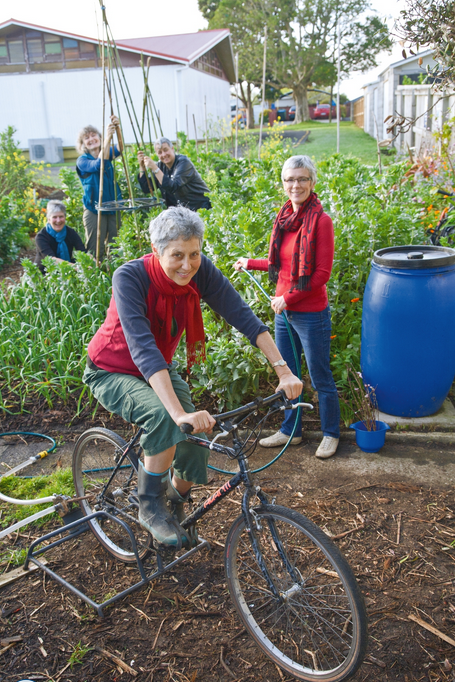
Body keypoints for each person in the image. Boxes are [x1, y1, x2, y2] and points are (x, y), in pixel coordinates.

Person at [83, 206, 302, 548]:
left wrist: (283, 369)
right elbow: (143, 349)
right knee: (164, 418)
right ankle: (149, 504)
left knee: (197, 442)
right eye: (177, 256)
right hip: (112, 369)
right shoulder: (129, 278)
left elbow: (242, 316)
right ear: (156, 251)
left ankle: (175, 503)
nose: (187, 265)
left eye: (195, 254)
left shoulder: (199, 272)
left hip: (157, 368)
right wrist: (178, 413)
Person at [234, 155, 340, 459]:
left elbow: (321, 274)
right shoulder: (284, 219)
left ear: (312, 182)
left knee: (320, 376)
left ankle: (331, 433)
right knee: (289, 374)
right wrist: (249, 263)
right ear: (284, 184)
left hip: (311, 315)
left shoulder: (321, 221)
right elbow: (278, 262)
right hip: (285, 313)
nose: (296, 185)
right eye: (290, 179)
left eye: (302, 179)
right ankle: (291, 431)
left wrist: (288, 298)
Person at [76, 115, 123, 259]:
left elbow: (121, 148)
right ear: (83, 143)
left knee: (115, 246)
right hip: (94, 209)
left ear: (99, 136)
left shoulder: (108, 152)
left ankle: (113, 274)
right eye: (87, 138)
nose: (91, 139)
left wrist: (117, 129)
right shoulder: (82, 161)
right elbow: (98, 164)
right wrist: (107, 138)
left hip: (113, 206)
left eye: (93, 135)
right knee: (95, 248)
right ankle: (96, 275)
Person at [137, 137, 211, 211]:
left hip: (200, 208)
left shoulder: (183, 163)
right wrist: (142, 166)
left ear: (172, 148)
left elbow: (173, 186)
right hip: (179, 212)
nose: (164, 154)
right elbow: (146, 188)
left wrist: (155, 169)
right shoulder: (160, 166)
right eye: (160, 152)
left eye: (166, 150)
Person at [35, 200, 86, 274]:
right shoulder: (41, 237)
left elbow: (82, 251)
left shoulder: (71, 233)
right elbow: (52, 260)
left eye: (61, 216)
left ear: (65, 217)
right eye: (54, 217)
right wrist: (76, 267)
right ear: (49, 219)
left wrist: (92, 260)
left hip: (68, 270)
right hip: (46, 274)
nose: (58, 220)